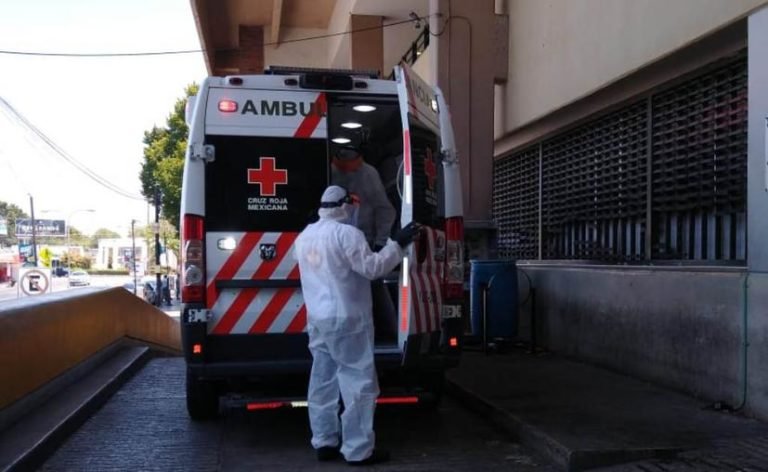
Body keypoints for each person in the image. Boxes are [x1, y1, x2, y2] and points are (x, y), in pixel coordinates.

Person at [294, 185, 420, 466]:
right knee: (358, 383)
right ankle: (358, 449)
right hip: (348, 320)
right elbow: (373, 269)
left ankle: (324, 441)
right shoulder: (348, 234)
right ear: (343, 205)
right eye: (353, 203)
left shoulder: (304, 237)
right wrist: (396, 245)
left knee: (322, 381)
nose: (355, 208)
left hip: (318, 321)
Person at [331, 146, 396, 250]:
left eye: (354, 169)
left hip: (363, 241)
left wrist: (381, 242)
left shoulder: (368, 174)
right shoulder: (330, 171)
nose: (350, 172)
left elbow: (384, 209)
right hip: (333, 240)